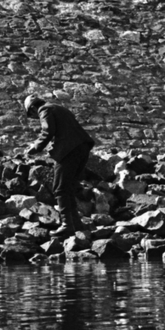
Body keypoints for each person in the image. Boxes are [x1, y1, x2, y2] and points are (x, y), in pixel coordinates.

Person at [24, 94, 94, 233]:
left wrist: (36, 147)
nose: (35, 117)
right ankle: (76, 224)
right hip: (83, 148)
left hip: (68, 151)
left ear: (32, 107)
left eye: (32, 114)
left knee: (60, 188)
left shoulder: (45, 110)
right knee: (69, 187)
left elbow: (48, 130)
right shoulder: (59, 108)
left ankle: (67, 225)